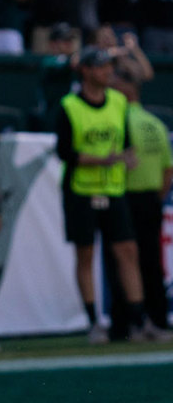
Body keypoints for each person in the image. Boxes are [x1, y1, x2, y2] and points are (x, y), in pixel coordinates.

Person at [55, 47, 171, 343]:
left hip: (115, 190)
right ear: (86, 71)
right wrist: (104, 160)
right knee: (86, 253)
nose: (107, 72)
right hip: (82, 190)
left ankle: (139, 320)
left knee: (127, 252)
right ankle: (94, 322)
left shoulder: (118, 102)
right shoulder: (70, 106)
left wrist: (124, 159)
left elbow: (125, 144)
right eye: (101, 67)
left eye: (109, 67)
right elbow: (65, 152)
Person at [109, 68, 173, 332]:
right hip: (152, 199)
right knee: (151, 261)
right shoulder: (155, 123)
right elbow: (168, 169)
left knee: (122, 261)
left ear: (126, 90)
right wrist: (157, 197)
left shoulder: (118, 121)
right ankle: (158, 317)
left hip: (125, 198)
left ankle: (124, 323)